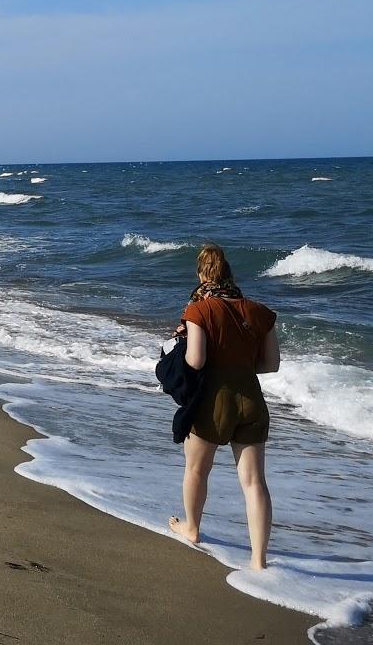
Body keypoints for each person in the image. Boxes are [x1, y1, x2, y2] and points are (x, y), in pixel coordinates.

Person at [167, 243, 281, 569]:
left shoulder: (199, 310)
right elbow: (271, 364)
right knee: (254, 482)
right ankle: (259, 560)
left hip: (214, 402)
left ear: (203, 274)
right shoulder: (260, 312)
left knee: (197, 470)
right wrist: (239, 364)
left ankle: (192, 529)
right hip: (252, 399)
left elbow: (196, 359)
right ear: (229, 273)